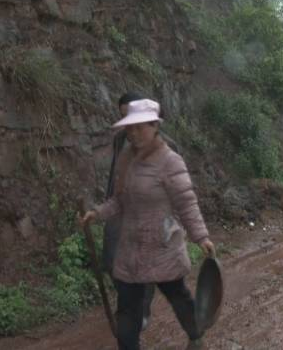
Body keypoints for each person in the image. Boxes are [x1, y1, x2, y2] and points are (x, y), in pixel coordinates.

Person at [80, 99, 214, 350]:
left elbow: (186, 203)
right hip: (130, 247)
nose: (134, 133)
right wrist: (96, 214)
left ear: (155, 126)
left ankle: (196, 335)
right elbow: (119, 201)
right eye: (130, 128)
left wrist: (201, 237)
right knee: (128, 310)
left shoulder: (170, 161)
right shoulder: (126, 158)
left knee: (178, 295)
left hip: (162, 246)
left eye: (140, 127)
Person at [104, 93, 180, 331]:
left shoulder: (167, 146)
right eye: (123, 115)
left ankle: (141, 310)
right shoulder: (119, 140)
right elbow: (114, 173)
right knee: (110, 259)